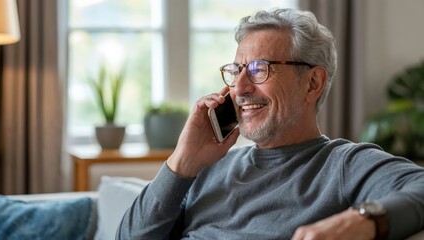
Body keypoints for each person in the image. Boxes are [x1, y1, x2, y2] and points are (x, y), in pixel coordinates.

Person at [117, 8, 424, 240]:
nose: (239, 87)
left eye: (258, 69)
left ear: (312, 83)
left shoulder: (342, 165)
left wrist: (362, 220)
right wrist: (181, 163)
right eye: (236, 70)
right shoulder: (205, 168)